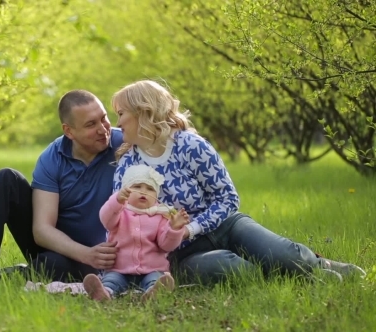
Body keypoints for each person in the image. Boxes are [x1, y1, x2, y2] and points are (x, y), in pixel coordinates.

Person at [110, 79, 366, 285]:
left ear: (144, 112)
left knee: (282, 255)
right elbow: (122, 219)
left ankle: (317, 266)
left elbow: (227, 198)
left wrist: (192, 227)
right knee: (231, 269)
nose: (117, 123)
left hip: (225, 226)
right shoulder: (127, 166)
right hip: (178, 252)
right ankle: (290, 276)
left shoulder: (191, 146)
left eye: (121, 113)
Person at [0, 89, 124, 282]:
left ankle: (9, 276)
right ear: (68, 131)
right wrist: (85, 253)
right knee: (7, 178)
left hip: (100, 257)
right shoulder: (52, 158)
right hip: (59, 246)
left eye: (103, 118)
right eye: (91, 124)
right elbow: (42, 230)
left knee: (52, 265)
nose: (103, 129)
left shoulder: (125, 144)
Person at [82, 164, 190, 301]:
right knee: (112, 280)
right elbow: (105, 219)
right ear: (126, 190)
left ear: (156, 196)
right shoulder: (119, 211)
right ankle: (104, 292)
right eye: (137, 186)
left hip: (152, 269)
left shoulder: (161, 215)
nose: (143, 192)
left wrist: (174, 228)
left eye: (150, 188)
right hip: (119, 269)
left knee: (155, 279)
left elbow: (166, 246)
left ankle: (154, 293)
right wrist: (117, 200)